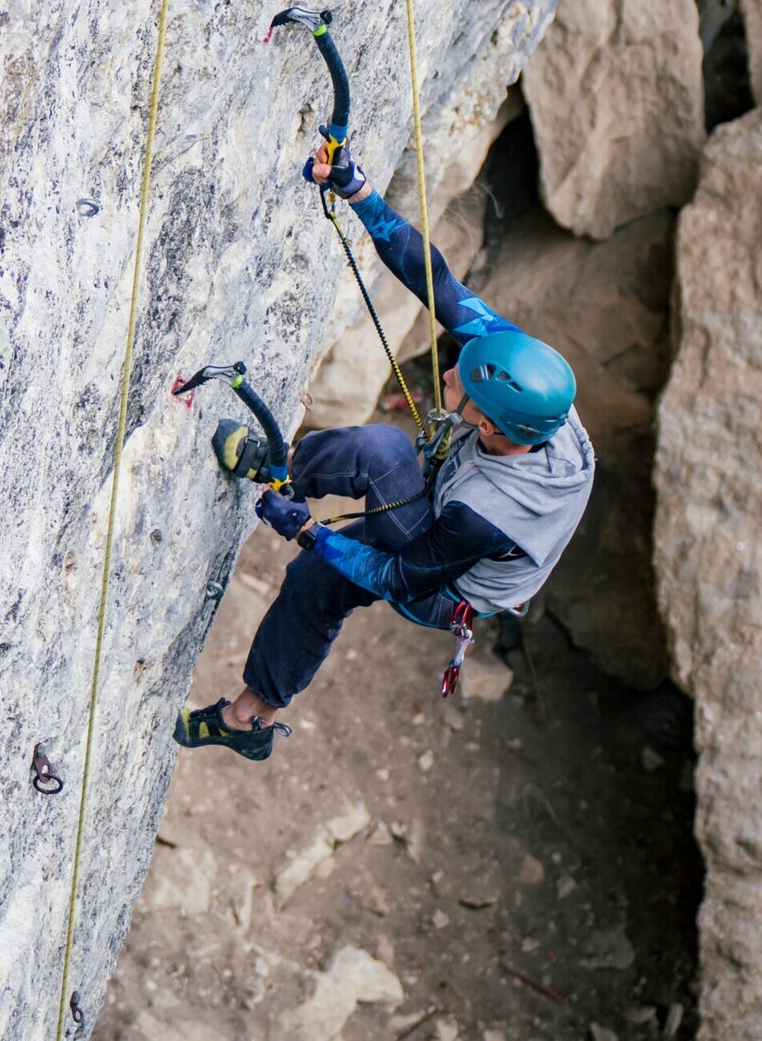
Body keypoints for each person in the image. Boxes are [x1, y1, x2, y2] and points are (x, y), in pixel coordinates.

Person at [174, 139, 595, 760]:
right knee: (361, 502)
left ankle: (246, 719)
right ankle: (278, 466)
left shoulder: (485, 514)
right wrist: (360, 193)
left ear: (491, 428)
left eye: (462, 383)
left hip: (444, 586)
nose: (449, 372)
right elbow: (442, 286)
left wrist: (307, 531)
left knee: (351, 518)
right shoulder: (534, 389)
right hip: (453, 508)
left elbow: (399, 575)